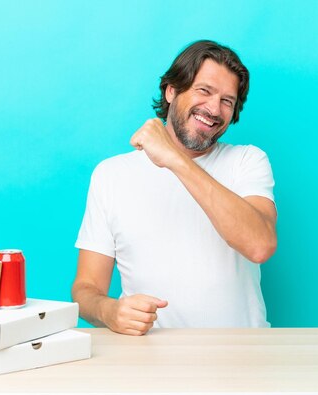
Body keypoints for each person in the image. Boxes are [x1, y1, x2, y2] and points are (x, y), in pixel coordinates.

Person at [72, 40, 277, 336]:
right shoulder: (111, 175)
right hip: (150, 360)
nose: (214, 109)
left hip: (241, 355)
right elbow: (85, 288)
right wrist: (110, 311)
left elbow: (260, 245)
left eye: (227, 101)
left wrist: (176, 159)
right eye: (204, 91)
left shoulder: (247, 161)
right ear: (171, 91)